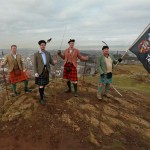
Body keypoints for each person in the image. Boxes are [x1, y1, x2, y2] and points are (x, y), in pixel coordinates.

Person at [34, 40, 57, 105]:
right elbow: (35, 64)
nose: (43, 46)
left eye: (44, 45)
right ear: (40, 46)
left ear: (45, 46)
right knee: (41, 85)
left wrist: (54, 62)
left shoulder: (48, 53)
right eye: (42, 45)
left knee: (44, 84)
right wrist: (35, 72)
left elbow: (51, 61)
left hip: (46, 70)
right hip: (40, 71)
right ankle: (41, 98)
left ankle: (42, 94)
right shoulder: (36, 54)